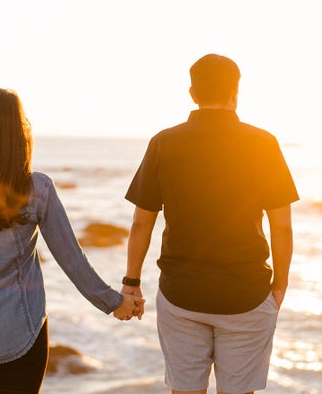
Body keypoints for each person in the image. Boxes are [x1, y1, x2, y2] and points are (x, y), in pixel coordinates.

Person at [0, 88, 142, 394]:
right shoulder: (37, 188)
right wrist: (114, 303)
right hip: (22, 329)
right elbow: (71, 260)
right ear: (19, 134)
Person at [122, 53, 299, 394]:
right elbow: (282, 226)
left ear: (193, 93)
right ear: (237, 91)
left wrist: (131, 282)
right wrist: (280, 284)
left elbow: (142, 223)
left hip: (181, 295)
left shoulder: (164, 142)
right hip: (247, 294)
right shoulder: (263, 143)